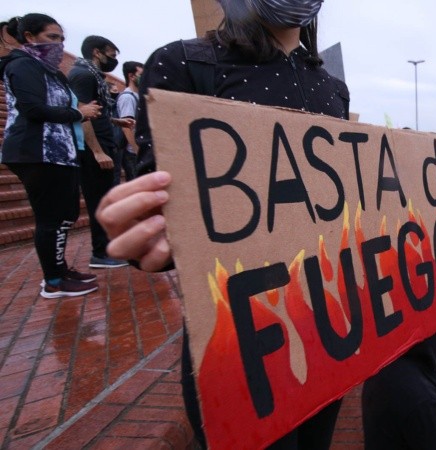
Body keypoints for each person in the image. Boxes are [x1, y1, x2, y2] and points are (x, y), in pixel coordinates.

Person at [95, 0, 350, 447]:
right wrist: (152, 229)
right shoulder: (184, 64)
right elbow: (169, 204)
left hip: (323, 328)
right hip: (238, 340)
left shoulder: (333, 88)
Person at [0, 14, 102, 297]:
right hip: (36, 151)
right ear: (30, 37)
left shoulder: (49, 71)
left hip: (60, 151)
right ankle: (53, 281)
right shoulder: (22, 66)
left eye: (61, 39)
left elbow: (64, 105)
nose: (58, 44)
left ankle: (60, 269)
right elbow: (33, 109)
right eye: (52, 37)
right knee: (51, 218)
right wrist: (78, 113)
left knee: (66, 215)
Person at [68, 35, 133, 269]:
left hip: (105, 142)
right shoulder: (83, 75)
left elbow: (97, 112)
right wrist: (97, 151)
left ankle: (108, 247)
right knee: (100, 200)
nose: (113, 60)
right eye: (112, 55)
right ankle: (101, 252)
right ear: (97, 52)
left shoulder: (93, 76)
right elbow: (82, 113)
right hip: (96, 149)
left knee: (106, 197)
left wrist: (115, 121)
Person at [115, 60, 143, 181]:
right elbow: (127, 126)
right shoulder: (127, 97)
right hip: (133, 152)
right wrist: (137, 151)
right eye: (142, 74)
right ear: (131, 76)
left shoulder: (139, 96)